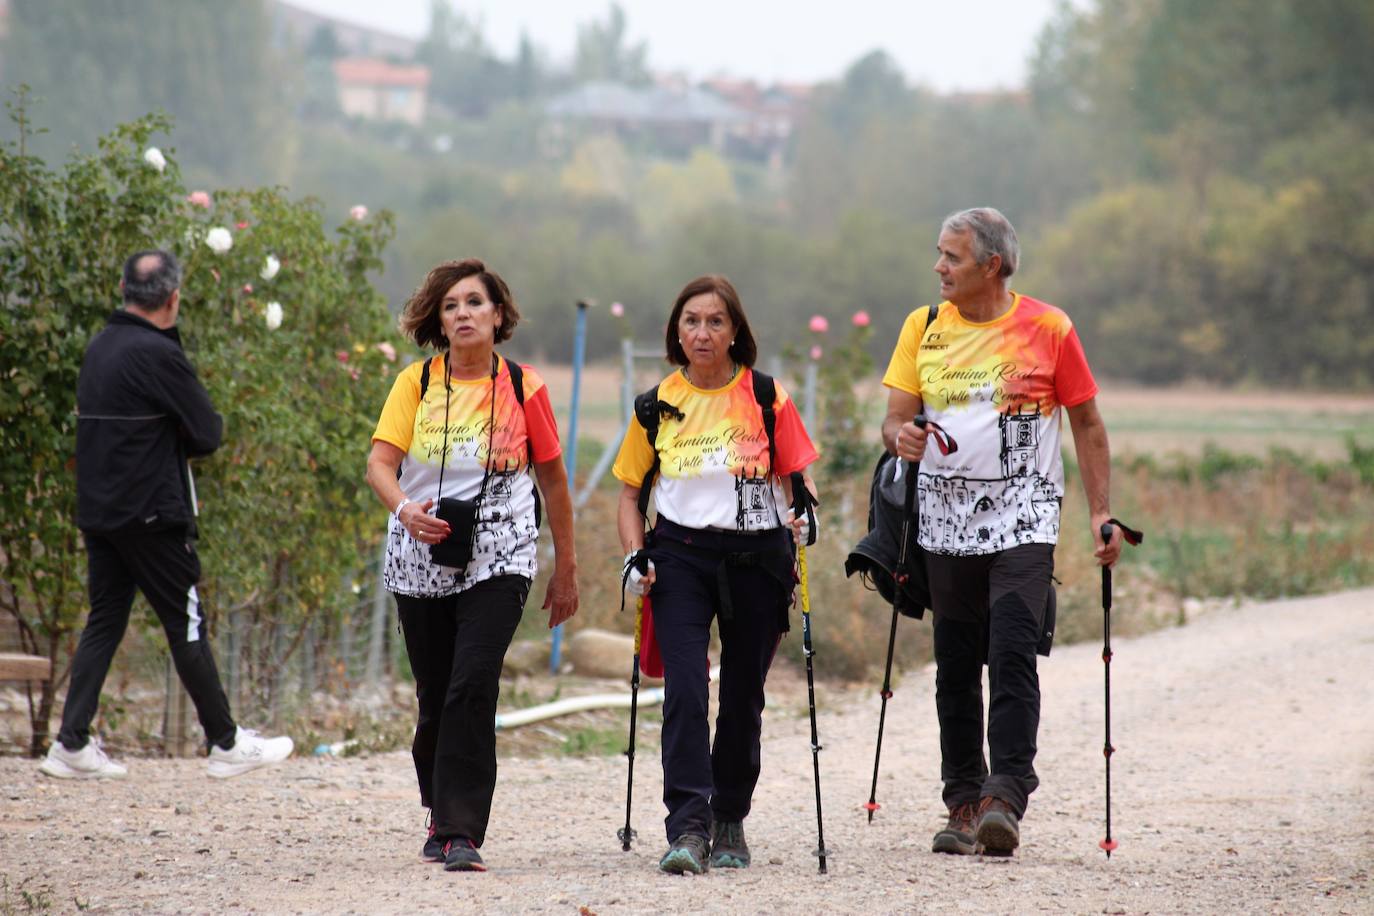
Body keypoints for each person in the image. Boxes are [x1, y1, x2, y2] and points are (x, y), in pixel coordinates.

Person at [880, 208, 1122, 857]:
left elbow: (1088, 423)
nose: (938, 267)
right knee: (956, 665)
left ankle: (1005, 795)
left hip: (1025, 518)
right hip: (943, 522)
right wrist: (900, 435)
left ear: (991, 265)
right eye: (938, 253)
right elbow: (896, 418)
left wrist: (1101, 512)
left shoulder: (1048, 327)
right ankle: (962, 801)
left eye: (951, 257)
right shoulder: (922, 327)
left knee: (1012, 651)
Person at [41, 249, 294, 781]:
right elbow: (207, 432)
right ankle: (225, 742)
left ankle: (71, 742)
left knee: (105, 620)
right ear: (174, 298)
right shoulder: (158, 354)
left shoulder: (100, 347)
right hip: (153, 515)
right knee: (187, 621)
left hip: (101, 512)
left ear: (122, 289)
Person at [365, 258, 578, 874]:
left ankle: (462, 831)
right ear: (439, 319)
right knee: (435, 696)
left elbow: (555, 479)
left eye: (475, 303)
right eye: (451, 305)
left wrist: (566, 568)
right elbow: (379, 465)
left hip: (502, 554)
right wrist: (406, 510)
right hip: (420, 550)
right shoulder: (417, 383)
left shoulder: (523, 387)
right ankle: (438, 811)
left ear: (499, 315)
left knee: (473, 681)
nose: (463, 313)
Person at [612, 275, 818, 875]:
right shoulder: (655, 405)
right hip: (679, 556)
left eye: (715, 322)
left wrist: (806, 519)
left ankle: (730, 818)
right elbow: (629, 497)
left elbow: (798, 483)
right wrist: (634, 555)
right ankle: (688, 828)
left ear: (735, 332)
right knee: (684, 689)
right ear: (677, 331)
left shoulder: (766, 396)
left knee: (742, 698)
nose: (702, 333)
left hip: (759, 557)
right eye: (691, 322)